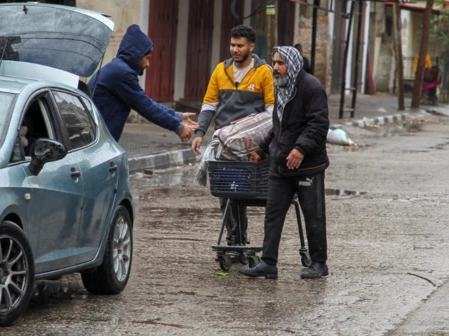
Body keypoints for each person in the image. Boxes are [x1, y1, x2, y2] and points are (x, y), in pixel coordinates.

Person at [239, 46, 329, 280]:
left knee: (314, 215)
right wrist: (262, 149)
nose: (275, 68)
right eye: (274, 63)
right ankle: (268, 262)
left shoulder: (312, 88)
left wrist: (300, 148)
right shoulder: (281, 88)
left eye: (280, 63)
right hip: (280, 165)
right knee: (273, 212)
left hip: (308, 166)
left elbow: (318, 125)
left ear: (293, 64)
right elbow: (278, 126)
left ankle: (319, 263)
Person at [191, 25, 275, 246]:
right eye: (232, 45)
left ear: (251, 46)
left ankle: (239, 238)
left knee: (241, 192)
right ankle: (234, 238)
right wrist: (200, 133)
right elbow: (209, 104)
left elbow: (271, 113)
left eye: (240, 45)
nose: (235, 49)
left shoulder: (264, 72)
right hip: (224, 142)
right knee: (225, 192)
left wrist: (257, 139)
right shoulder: (221, 69)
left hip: (249, 144)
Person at [89, 24, 198, 142]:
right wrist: (178, 127)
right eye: (147, 58)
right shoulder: (122, 73)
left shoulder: (119, 68)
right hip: (98, 139)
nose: (148, 64)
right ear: (137, 55)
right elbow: (146, 107)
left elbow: (146, 102)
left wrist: (178, 116)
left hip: (99, 137)